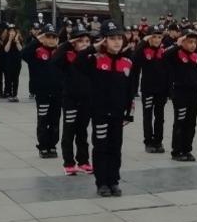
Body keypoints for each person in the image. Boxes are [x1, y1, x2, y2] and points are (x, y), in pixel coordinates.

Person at [73, 20, 134, 197]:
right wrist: (93, 47)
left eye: (119, 38)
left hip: (117, 114)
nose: (116, 42)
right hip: (100, 113)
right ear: (104, 41)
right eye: (111, 38)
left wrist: (128, 114)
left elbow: (130, 90)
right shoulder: (95, 60)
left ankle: (113, 181)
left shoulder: (127, 62)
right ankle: (102, 183)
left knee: (116, 148)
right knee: (101, 148)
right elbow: (77, 62)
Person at [53, 23, 94, 176]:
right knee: (69, 130)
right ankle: (69, 163)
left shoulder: (91, 57)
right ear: (74, 42)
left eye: (87, 41)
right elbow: (55, 59)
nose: (84, 44)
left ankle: (83, 161)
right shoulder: (65, 55)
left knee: (82, 131)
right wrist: (67, 44)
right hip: (70, 98)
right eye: (81, 41)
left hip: (86, 99)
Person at [22, 24, 63, 158]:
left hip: (57, 94)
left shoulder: (59, 52)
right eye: (48, 37)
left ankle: (52, 145)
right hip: (42, 93)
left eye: (54, 37)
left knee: (55, 121)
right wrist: (37, 40)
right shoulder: (36, 52)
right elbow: (23, 54)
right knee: (43, 120)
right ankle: (43, 146)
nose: (51, 40)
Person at [164, 29, 197, 161]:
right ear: (182, 42)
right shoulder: (175, 54)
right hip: (180, 93)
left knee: (191, 123)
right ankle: (177, 151)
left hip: (193, 94)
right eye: (189, 42)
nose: (193, 45)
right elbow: (165, 56)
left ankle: (187, 149)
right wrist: (177, 45)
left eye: (195, 42)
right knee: (180, 122)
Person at [132, 25, 169, 153]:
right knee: (148, 116)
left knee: (160, 117)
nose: (157, 40)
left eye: (160, 37)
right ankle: (148, 142)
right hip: (148, 89)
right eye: (154, 37)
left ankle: (158, 141)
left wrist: (168, 90)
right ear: (149, 38)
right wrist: (143, 41)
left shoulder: (163, 52)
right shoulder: (143, 51)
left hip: (161, 90)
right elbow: (135, 58)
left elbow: (169, 72)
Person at [0, 26, 23, 102]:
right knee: (8, 78)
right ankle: (10, 94)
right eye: (10, 31)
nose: (12, 33)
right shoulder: (6, 40)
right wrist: (10, 40)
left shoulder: (19, 40)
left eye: (13, 31)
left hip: (17, 62)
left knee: (16, 79)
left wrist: (17, 41)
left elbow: (21, 49)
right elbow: (6, 50)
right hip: (8, 62)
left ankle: (15, 94)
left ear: (16, 32)